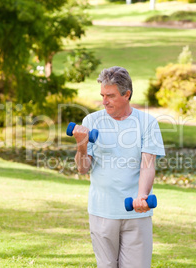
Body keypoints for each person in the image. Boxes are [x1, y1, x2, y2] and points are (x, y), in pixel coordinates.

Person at [73, 66, 165, 268]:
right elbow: (82, 168)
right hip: (102, 211)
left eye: (111, 96)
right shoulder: (91, 121)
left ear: (127, 94)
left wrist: (142, 196)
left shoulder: (147, 123)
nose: (104, 101)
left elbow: (147, 164)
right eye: (102, 95)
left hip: (136, 211)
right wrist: (81, 144)